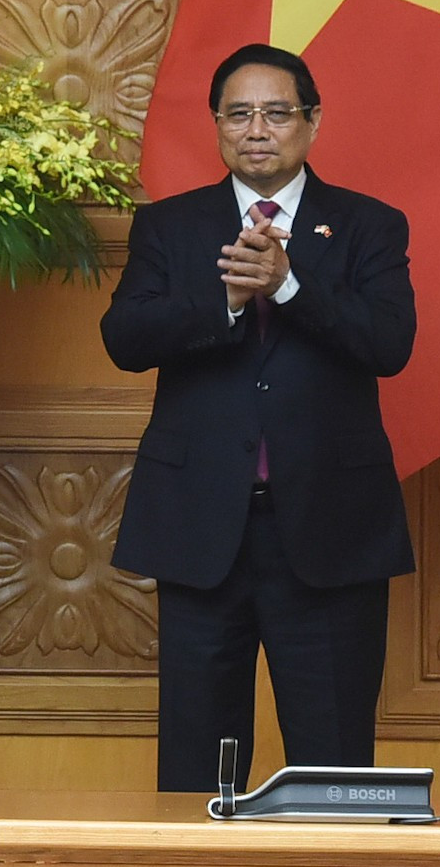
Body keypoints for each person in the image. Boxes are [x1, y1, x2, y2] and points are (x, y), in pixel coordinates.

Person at [102, 43, 416, 792]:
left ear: (311, 122)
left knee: (334, 760)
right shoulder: (169, 226)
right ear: (216, 125)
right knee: (197, 765)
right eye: (238, 113)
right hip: (202, 526)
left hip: (331, 530)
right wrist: (227, 301)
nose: (257, 129)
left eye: (277, 113)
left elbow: (389, 344)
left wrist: (291, 286)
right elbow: (125, 339)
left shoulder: (369, 225)